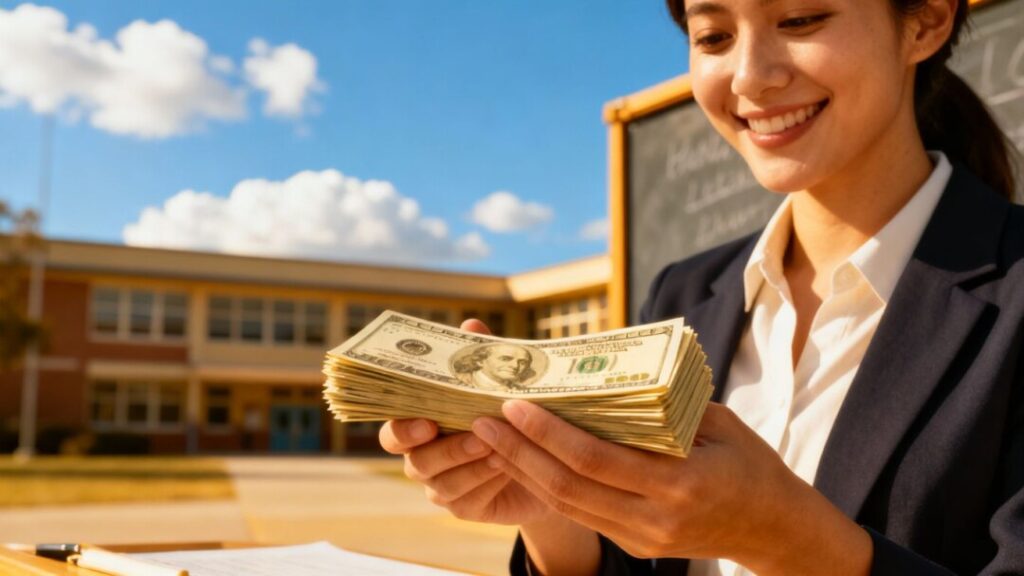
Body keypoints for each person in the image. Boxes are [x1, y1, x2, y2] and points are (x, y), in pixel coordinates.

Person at [380, 0, 1024, 574]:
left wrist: (787, 540)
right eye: (713, 36)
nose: (749, 76)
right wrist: (557, 507)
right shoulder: (683, 296)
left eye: (800, 20)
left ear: (927, 21)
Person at [452, 343, 539, 392]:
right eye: (505, 359)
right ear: (480, 361)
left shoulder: (518, 389)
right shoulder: (460, 380)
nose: (515, 366)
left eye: (523, 362)